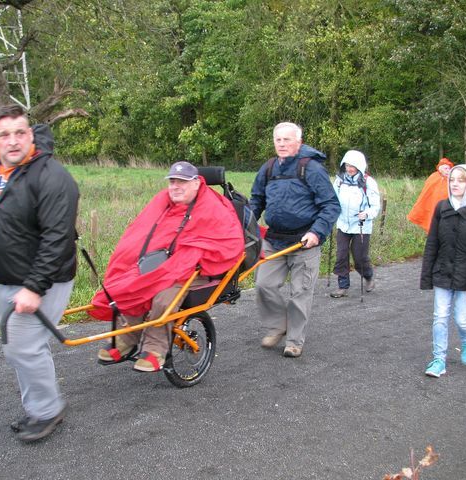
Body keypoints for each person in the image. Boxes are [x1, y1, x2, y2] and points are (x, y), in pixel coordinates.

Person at [0, 104, 79, 442]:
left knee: (21, 345)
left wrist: (35, 287)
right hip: (5, 279)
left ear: (30, 135)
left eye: (20, 132)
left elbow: (57, 238)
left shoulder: (52, 177)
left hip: (47, 279)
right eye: (4, 134)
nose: (13, 140)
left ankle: (47, 410)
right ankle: (39, 407)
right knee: (21, 345)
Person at [89, 161, 244, 372]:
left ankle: (155, 350)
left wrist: (188, 258)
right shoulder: (163, 202)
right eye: (172, 181)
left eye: (182, 182)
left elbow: (225, 241)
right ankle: (124, 342)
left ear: (197, 183)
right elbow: (141, 233)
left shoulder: (212, 206)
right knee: (130, 286)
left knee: (163, 295)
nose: (176, 186)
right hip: (164, 263)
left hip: (196, 269)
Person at [249, 122, 340, 358]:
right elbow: (256, 201)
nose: (281, 144)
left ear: (298, 143)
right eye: (278, 140)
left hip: (304, 242)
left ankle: (294, 341)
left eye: (287, 140)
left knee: (300, 293)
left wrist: (316, 232)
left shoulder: (311, 169)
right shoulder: (268, 168)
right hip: (274, 240)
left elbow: (331, 205)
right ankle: (279, 324)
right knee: (263, 285)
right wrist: (243, 225)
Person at [420, 164, 466, 378]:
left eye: (461, 180)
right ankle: (438, 360)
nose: (455, 184)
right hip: (443, 273)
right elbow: (432, 243)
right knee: (440, 317)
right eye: (452, 180)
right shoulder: (442, 208)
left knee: (462, 318)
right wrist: (427, 275)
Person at [329, 150, 381, 298]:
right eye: (347, 165)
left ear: (360, 166)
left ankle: (368, 276)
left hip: (361, 225)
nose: (349, 168)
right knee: (341, 255)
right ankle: (342, 286)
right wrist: (331, 213)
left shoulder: (368, 182)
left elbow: (375, 206)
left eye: (353, 166)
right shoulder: (339, 180)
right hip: (343, 224)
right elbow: (333, 200)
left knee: (359, 257)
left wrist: (367, 214)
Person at [407, 157, 454, 233]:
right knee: (432, 220)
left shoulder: (452, 180)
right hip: (432, 205)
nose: (448, 171)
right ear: (440, 168)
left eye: (449, 169)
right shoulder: (433, 177)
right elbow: (426, 194)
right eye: (446, 168)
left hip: (446, 207)